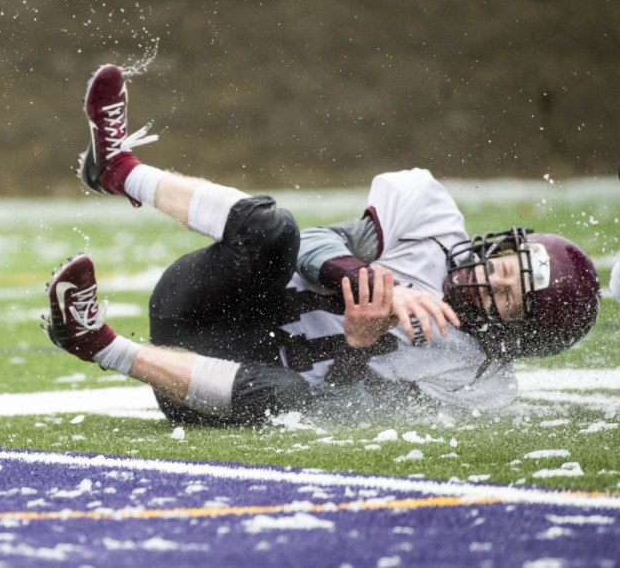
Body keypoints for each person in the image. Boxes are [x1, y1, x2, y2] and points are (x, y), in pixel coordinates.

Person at [42, 65, 601, 426]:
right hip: (205, 300)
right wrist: (373, 285)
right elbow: (312, 243)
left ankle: (97, 343)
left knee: (288, 398)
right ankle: (120, 170)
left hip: (222, 387)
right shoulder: (431, 220)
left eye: (506, 296)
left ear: (513, 334)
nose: (488, 276)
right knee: (273, 229)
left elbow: (339, 418)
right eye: (506, 266)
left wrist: (358, 345)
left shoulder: (477, 382)